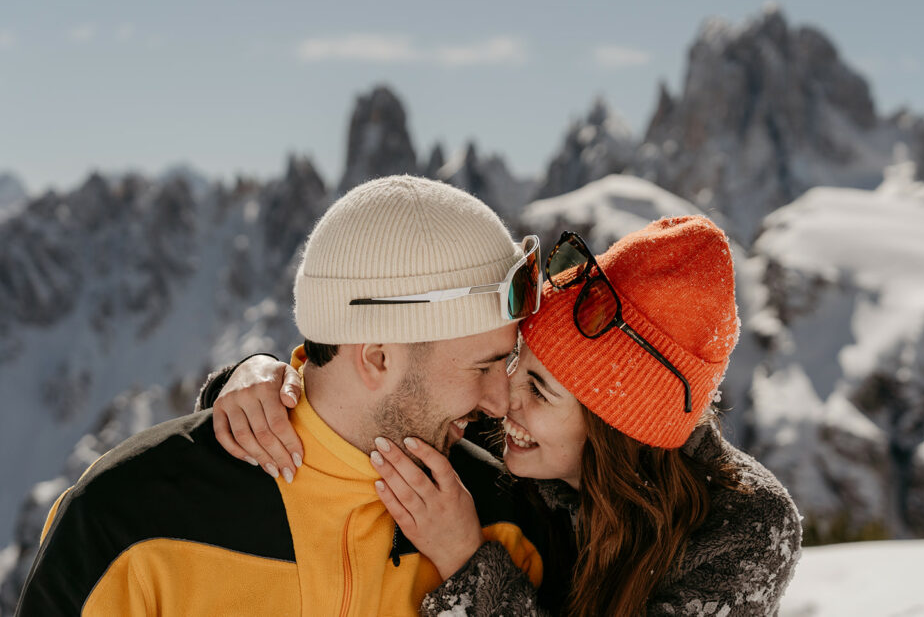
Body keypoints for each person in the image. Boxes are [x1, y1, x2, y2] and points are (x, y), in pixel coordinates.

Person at [206, 215, 803, 616]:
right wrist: (260, 382)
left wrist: (468, 562)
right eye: (517, 362)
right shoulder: (517, 437)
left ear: (616, 432)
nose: (501, 399)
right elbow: (371, 399)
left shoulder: (743, 529)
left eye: (539, 390)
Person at [15, 175, 547, 616]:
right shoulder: (127, 518)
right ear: (378, 357)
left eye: (509, 362)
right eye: (484, 367)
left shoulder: (500, 524)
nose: (501, 404)